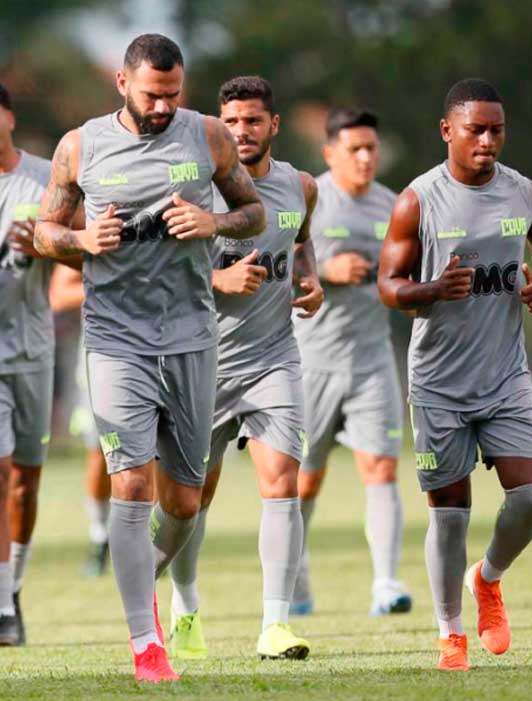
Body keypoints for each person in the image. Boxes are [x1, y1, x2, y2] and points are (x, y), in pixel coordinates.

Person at [34, 34, 264, 683]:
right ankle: (146, 641)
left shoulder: (210, 138)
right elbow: (45, 231)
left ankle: (144, 583)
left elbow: (254, 211)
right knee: (131, 482)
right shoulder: (80, 145)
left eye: (173, 95)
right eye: (151, 94)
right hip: (115, 340)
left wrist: (212, 223)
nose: (163, 107)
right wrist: (79, 238)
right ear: (121, 83)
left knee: (185, 502)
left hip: (192, 335)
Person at [378, 78, 532, 672]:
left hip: (505, 374)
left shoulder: (523, 193)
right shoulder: (417, 200)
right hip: (438, 382)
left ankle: (489, 579)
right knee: (449, 514)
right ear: (447, 131)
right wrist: (432, 289)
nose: (487, 140)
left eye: (496, 130)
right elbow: (388, 285)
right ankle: (450, 633)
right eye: (475, 129)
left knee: (531, 492)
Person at [164, 76, 322, 662]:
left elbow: (300, 243)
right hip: (201, 364)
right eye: (230, 121)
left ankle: (275, 626)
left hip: (274, 358)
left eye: (253, 120)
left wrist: (310, 280)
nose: (241, 131)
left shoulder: (301, 186)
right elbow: (158, 273)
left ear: (273, 125)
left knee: (283, 483)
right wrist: (218, 279)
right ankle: (184, 608)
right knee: (190, 502)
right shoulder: (194, 191)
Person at [0, 73, 80, 646]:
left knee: (26, 482)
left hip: (32, 347)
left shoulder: (47, 175)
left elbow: (84, 246)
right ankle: (2, 612)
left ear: (9, 118)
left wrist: (48, 244)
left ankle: (15, 586)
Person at [292, 107, 410, 617]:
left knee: (381, 468)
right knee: (301, 482)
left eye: (371, 149)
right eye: (354, 149)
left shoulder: (396, 207)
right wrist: (327, 270)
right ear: (329, 154)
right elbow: (279, 273)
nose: (365, 158)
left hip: (371, 361)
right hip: (310, 363)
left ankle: (386, 584)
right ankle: (293, 587)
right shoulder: (307, 201)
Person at [48, 265, 112, 578]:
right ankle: (100, 535)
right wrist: (119, 280)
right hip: (102, 356)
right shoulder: (95, 222)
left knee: (157, 450)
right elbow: (60, 294)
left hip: (163, 348)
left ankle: (152, 536)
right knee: (100, 451)